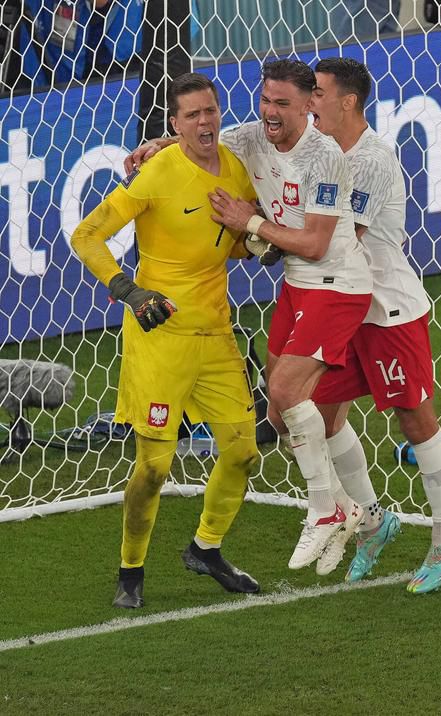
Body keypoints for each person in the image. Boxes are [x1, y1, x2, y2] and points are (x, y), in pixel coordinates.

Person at [70, 72, 261, 608]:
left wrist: (257, 241)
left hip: (216, 333)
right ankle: (131, 570)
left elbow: (238, 244)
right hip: (160, 337)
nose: (206, 121)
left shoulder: (237, 172)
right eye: (193, 115)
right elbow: (87, 234)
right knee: (154, 467)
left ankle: (207, 547)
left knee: (244, 451)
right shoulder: (156, 173)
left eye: (211, 110)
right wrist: (129, 291)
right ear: (174, 125)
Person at [202, 59, 373, 571]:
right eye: (266, 100)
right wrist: (156, 148)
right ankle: (351, 509)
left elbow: (318, 244)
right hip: (297, 287)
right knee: (281, 413)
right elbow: (204, 145)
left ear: (308, 106)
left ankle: (323, 507)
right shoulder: (254, 135)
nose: (270, 112)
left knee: (282, 390)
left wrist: (248, 220)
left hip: (337, 283)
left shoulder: (323, 157)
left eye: (283, 104)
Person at [304, 57, 441, 593]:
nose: (310, 103)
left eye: (318, 93)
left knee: (416, 424)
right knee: (316, 414)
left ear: (347, 101)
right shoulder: (321, 152)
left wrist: (262, 230)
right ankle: (373, 520)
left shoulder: (372, 160)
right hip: (343, 311)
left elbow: (340, 237)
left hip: (387, 312)